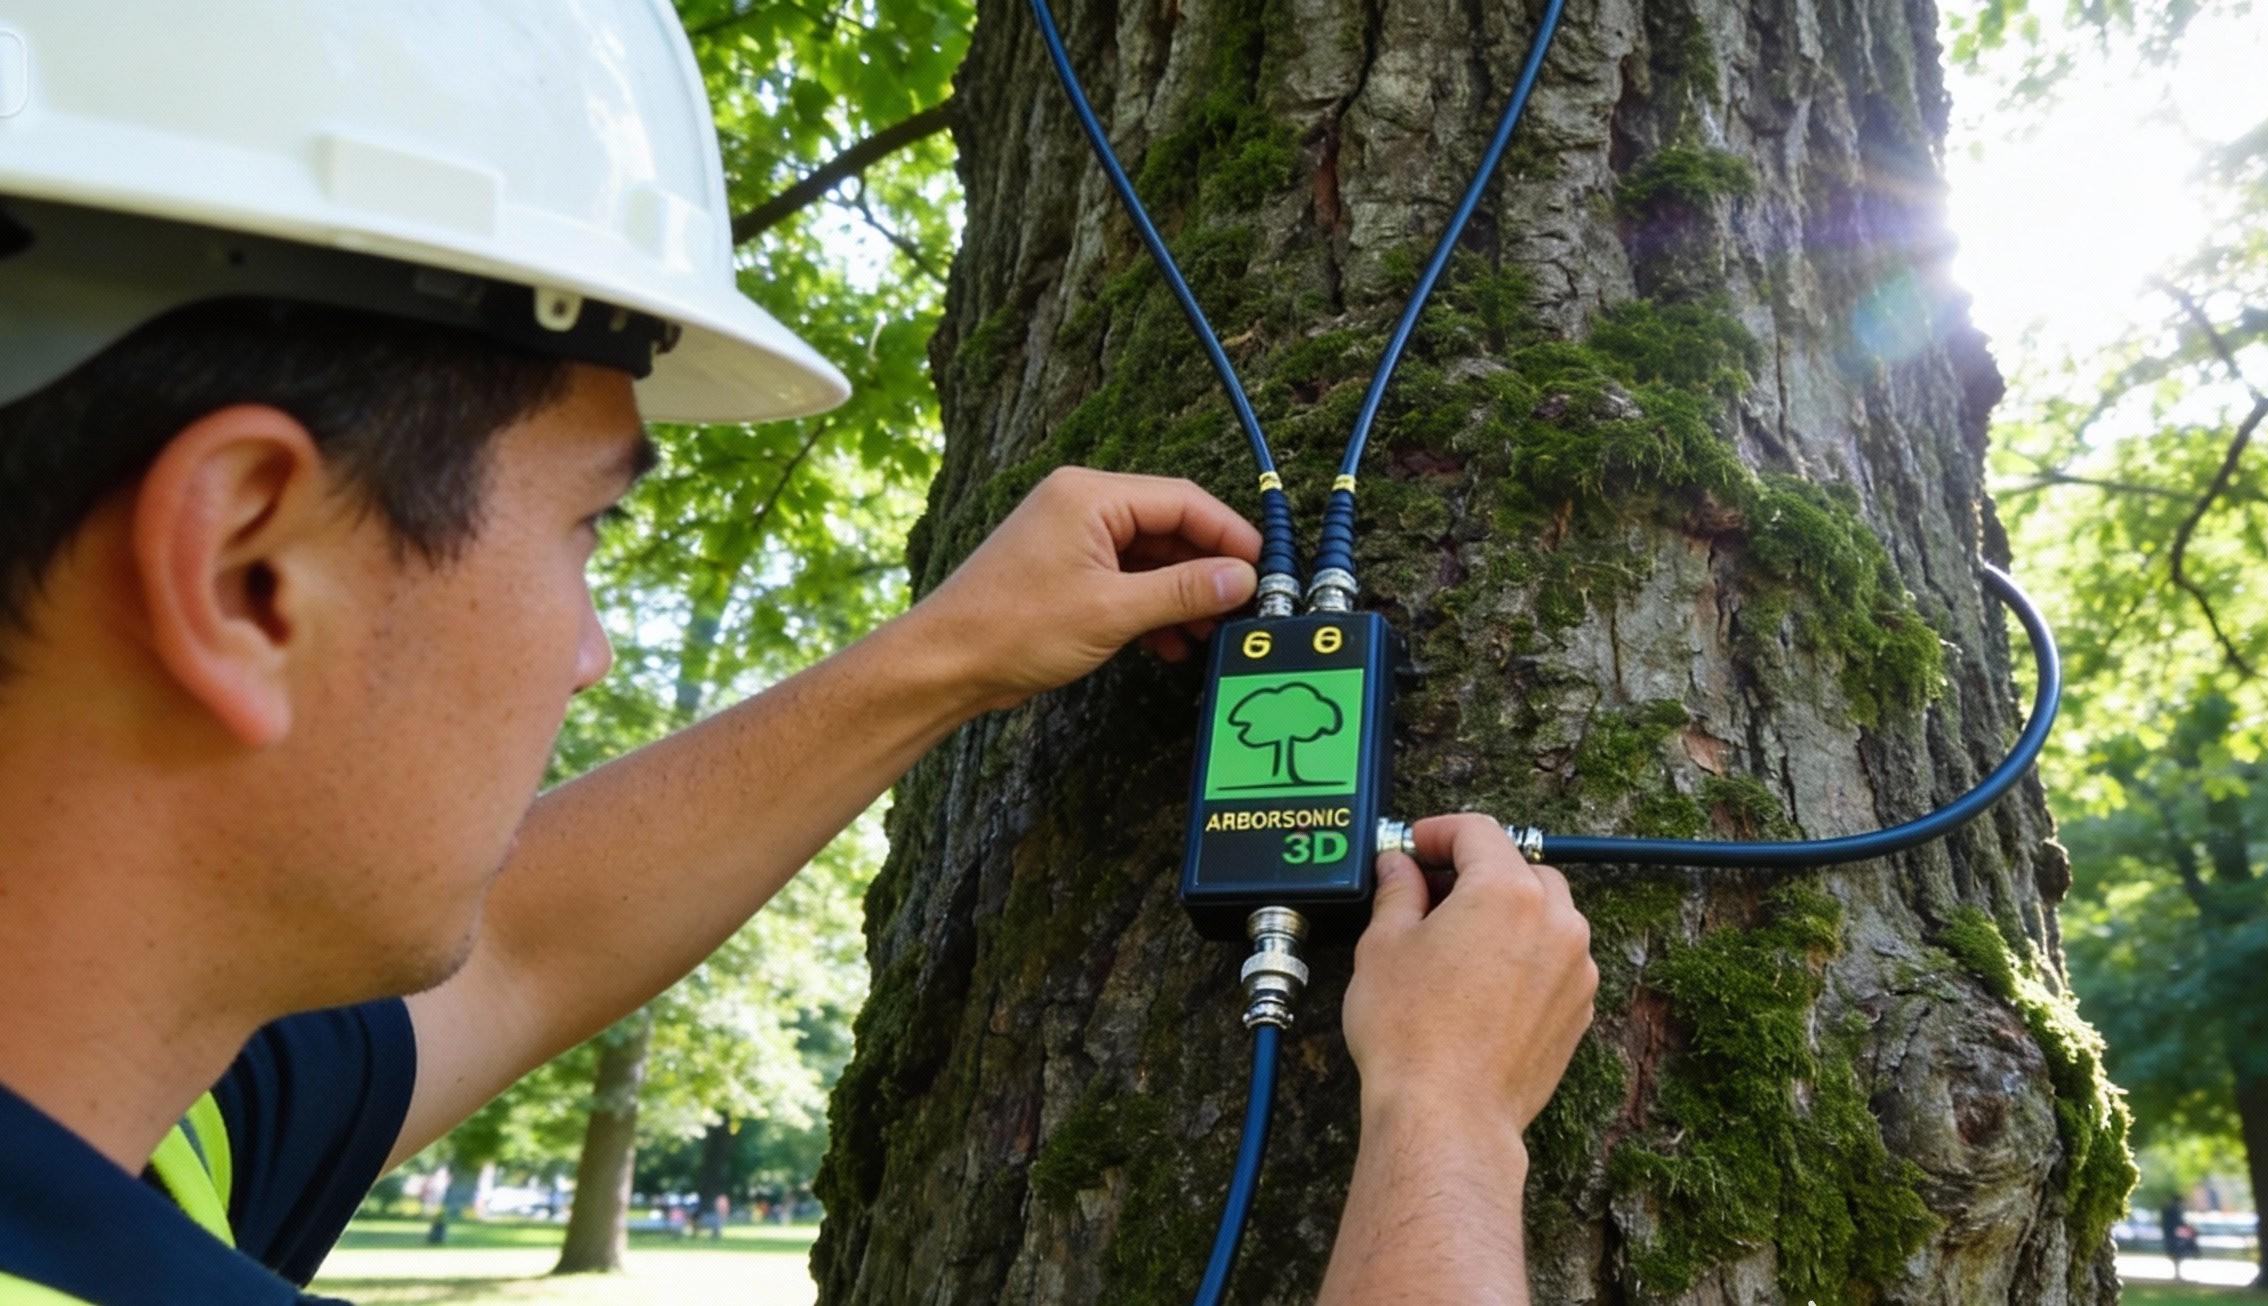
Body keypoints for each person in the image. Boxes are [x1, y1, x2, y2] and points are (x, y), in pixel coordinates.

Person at [0, 4, 1597, 1304]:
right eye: (586, 532)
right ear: (247, 566)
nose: (588, 652)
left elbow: (519, 951)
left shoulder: (134, 1115)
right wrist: (1448, 1126)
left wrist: (948, 656)